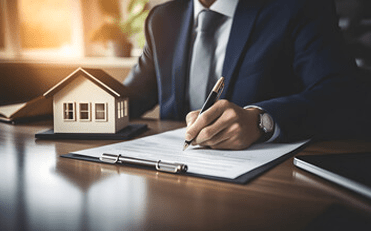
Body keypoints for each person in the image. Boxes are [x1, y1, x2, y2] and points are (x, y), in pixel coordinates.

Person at [124, 0, 368, 150]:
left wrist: (261, 121)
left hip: (268, 186)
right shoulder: (163, 18)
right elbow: (131, 97)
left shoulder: (298, 6)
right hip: (174, 176)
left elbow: (343, 95)